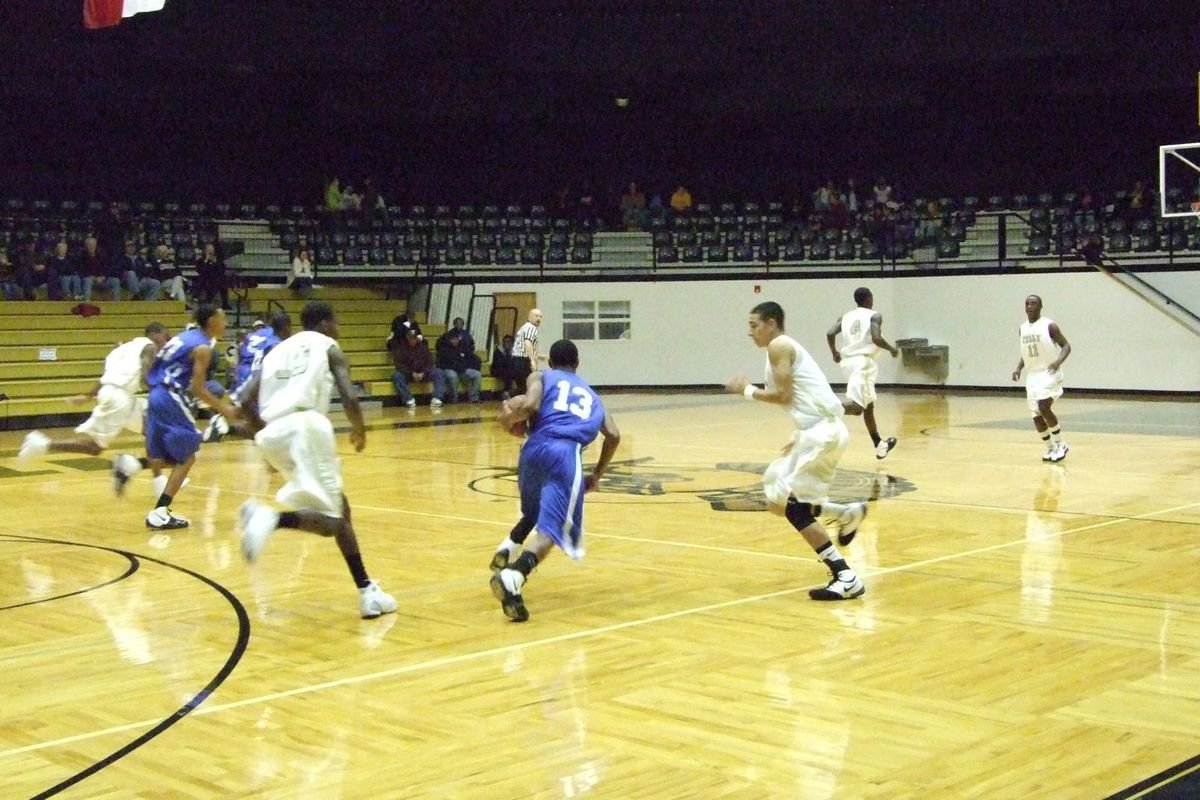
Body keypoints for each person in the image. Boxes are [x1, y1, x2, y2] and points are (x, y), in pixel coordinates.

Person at [236, 301, 397, 619]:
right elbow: (349, 395)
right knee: (332, 521)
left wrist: (264, 437)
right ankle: (271, 519)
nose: (338, 328)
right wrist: (359, 430)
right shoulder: (328, 346)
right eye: (335, 322)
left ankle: (367, 590)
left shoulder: (275, 351)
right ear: (324, 324)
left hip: (273, 434)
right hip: (307, 428)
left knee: (341, 508)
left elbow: (243, 401)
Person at [726, 301, 869, 601]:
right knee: (776, 500)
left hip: (823, 433)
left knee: (794, 508)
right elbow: (802, 397)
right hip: (817, 431)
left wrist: (747, 390)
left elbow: (783, 395)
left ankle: (845, 576)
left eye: (754, 325)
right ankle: (846, 513)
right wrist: (800, 433)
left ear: (771, 323)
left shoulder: (779, 345)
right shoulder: (778, 348)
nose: (749, 332)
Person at [489, 339, 621, 622]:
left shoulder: (540, 375)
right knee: (553, 529)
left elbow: (532, 403)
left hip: (532, 449)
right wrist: (596, 474)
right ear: (577, 364)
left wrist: (510, 417)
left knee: (533, 512)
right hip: (565, 454)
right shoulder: (592, 395)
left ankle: (508, 547)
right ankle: (515, 575)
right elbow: (614, 434)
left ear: (551, 362)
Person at [111, 305, 240, 529]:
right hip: (171, 397)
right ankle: (160, 511)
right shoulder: (202, 347)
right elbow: (198, 388)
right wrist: (223, 409)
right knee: (188, 456)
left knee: (171, 456)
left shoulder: (183, 337)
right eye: (223, 318)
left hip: (156, 395)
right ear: (211, 321)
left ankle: (131, 464)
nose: (226, 323)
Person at [19, 322, 171, 468]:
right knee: (96, 447)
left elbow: (107, 378)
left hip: (115, 394)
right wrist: (161, 394)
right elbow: (147, 375)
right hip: (120, 398)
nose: (166, 342)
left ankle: (157, 476)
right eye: (166, 336)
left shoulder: (124, 348)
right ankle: (42, 444)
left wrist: (88, 396)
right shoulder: (150, 347)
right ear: (155, 333)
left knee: (150, 426)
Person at [825, 287, 900, 459]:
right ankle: (824, 409)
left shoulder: (845, 317)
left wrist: (834, 352)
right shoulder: (874, 315)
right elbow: (876, 338)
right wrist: (891, 349)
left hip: (848, 363)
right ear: (869, 299)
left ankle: (879, 444)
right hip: (863, 362)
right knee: (858, 407)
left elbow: (830, 333)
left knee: (868, 405)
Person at [204, 312, 292, 443]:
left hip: (242, 376)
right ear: (286, 328)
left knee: (261, 427)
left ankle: (225, 428)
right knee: (266, 430)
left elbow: (241, 350)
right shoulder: (277, 343)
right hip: (254, 381)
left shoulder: (255, 335)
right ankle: (225, 427)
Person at [1012, 294, 1072, 462]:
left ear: (1040, 307)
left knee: (1044, 406)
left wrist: (1058, 362)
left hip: (1049, 372)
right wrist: (1018, 368)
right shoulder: (1022, 328)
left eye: (1033, 304)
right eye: (1027, 304)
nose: (1030, 306)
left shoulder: (1049, 326)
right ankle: (1051, 448)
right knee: (1036, 414)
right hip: (1032, 376)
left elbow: (1067, 346)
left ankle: (1061, 444)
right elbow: (1026, 352)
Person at [389, 324, 446, 408]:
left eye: (414, 338)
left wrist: (423, 372)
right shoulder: (400, 349)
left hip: (424, 373)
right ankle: (408, 399)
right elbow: (399, 365)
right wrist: (411, 373)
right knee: (397, 375)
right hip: (408, 374)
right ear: (407, 337)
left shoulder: (423, 347)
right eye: (410, 337)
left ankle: (437, 398)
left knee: (439, 372)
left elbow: (430, 362)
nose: (412, 340)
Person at [436, 319, 482, 404]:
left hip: (461, 369)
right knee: (453, 376)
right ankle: (454, 399)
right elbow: (443, 362)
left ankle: (474, 398)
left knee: (477, 375)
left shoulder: (463, 346)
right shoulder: (444, 347)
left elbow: (468, 355)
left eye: (456, 339)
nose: (455, 341)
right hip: (448, 368)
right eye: (453, 339)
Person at [511, 308, 544, 393]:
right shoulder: (531, 328)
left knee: (522, 387)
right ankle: (510, 397)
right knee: (526, 387)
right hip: (522, 361)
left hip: (517, 360)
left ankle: (509, 397)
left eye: (540, 317)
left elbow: (523, 347)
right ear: (530, 316)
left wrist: (538, 356)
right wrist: (532, 360)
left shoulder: (524, 327)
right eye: (536, 316)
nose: (539, 319)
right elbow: (527, 343)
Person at [491, 334, 517, 399]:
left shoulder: (513, 351)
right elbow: (499, 364)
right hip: (497, 370)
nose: (508, 343)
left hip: (507, 370)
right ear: (503, 342)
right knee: (507, 373)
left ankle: (512, 392)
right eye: (506, 341)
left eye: (509, 342)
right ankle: (506, 392)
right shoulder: (498, 351)